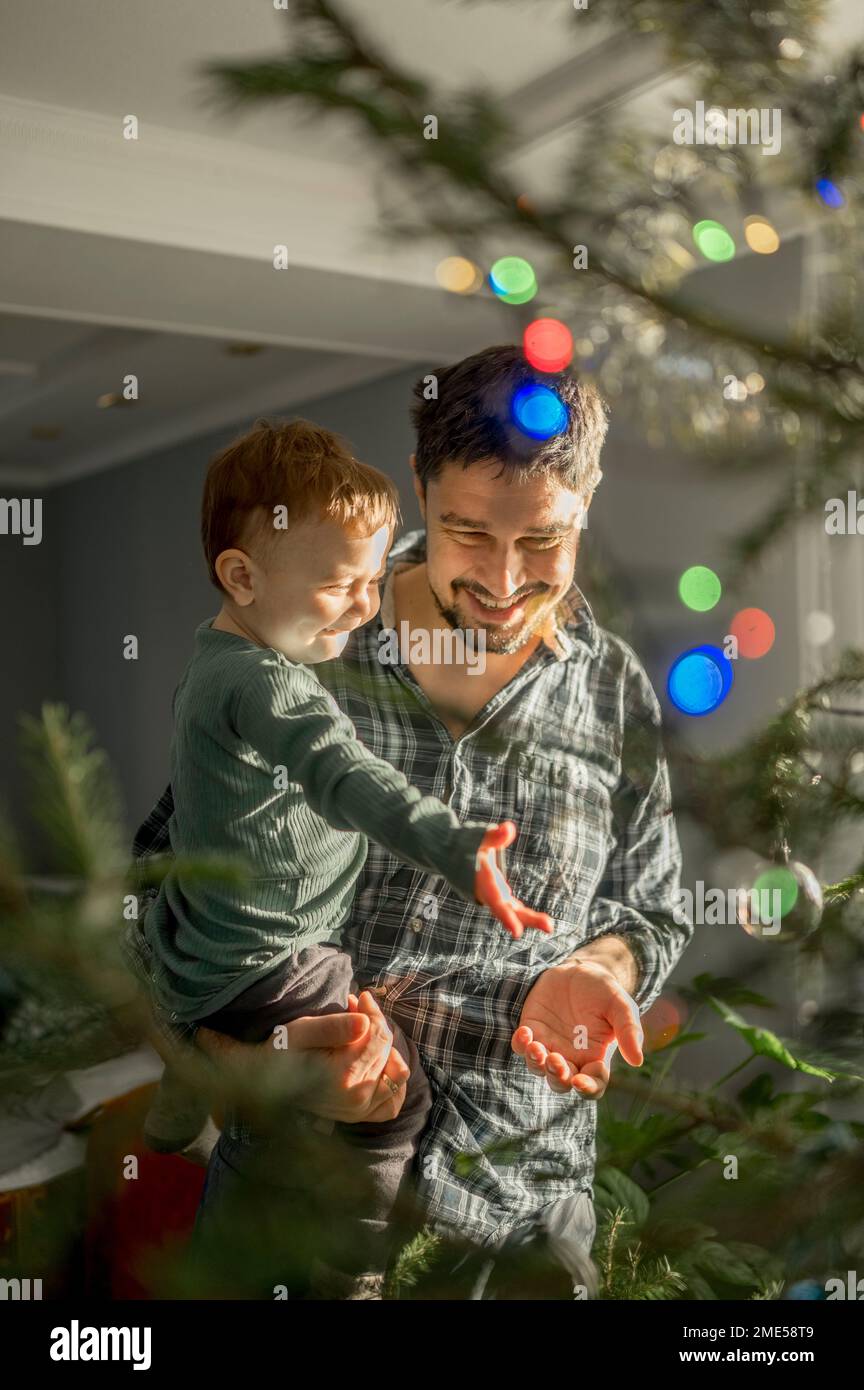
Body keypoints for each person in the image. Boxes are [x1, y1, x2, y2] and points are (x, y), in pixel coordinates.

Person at [130, 344, 693, 1299]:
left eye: (544, 540)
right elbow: (156, 897)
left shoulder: (616, 695)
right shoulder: (301, 640)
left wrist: (602, 968)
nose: (505, 581)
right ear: (421, 491)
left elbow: (655, 910)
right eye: (467, 533)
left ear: (585, 505)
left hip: (521, 1226)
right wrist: (239, 1060)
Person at [129, 416, 551, 1298]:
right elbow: (343, 773)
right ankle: (354, 1268)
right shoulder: (273, 682)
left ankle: (176, 1097)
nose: (364, 606)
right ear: (241, 576)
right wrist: (452, 841)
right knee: (395, 1104)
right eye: (339, 585)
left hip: (218, 953)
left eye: (372, 579)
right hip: (276, 967)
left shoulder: (215, 664)